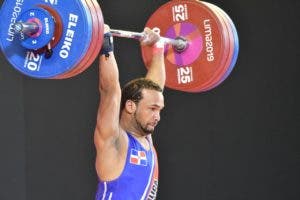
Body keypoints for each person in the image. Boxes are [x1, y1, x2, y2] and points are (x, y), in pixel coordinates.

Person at [94, 24, 166, 200]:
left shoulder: (145, 136)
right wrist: (105, 43)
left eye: (159, 110)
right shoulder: (113, 142)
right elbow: (110, 91)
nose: (157, 116)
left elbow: (155, 90)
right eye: (152, 109)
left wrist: (158, 47)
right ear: (131, 106)